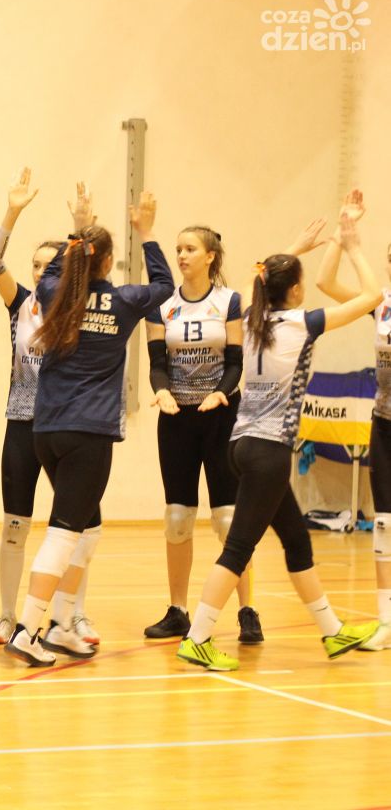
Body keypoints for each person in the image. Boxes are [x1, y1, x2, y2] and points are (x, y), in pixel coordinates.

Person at [178, 206, 383, 670]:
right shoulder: (302, 323)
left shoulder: (254, 317)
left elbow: (262, 279)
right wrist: (350, 245)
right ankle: (198, 637)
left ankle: (332, 631)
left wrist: (299, 248)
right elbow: (373, 296)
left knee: (296, 540)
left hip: (241, 445)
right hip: (268, 452)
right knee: (238, 550)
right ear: (295, 290)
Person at [6, 185, 173, 667]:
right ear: (108, 264)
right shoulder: (126, 300)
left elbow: (53, 272)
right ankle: (28, 630)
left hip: (47, 430)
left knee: (89, 527)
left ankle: (62, 624)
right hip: (89, 433)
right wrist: (147, 232)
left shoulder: (53, 293)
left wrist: (76, 232)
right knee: (64, 532)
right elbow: (164, 285)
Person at [143, 222, 258, 642]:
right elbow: (157, 362)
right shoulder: (163, 304)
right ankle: (178, 610)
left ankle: (247, 610)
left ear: (210, 256)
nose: (181, 256)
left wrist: (220, 393)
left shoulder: (228, 302)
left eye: (190, 249)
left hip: (220, 415)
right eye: (178, 249)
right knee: (178, 518)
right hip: (176, 417)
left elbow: (235, 362)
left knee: (228, 519)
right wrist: (161, 390)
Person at [0, 169, 69, 644]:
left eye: (49, 266)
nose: (39, 272)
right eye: (35, 265)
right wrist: (12, 212)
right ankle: (5, 614)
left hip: (63, 427)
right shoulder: (21, 305)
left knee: (71, 527)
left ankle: (70, 616)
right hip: (21, 424)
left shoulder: (79, 312)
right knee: (15, 526)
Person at [318, 191, 391, 652]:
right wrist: (343, 234)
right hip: (384, 423)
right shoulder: (382, 305)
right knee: (384, 523)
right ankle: (386, 621)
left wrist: (356, 247)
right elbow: (325, 281)